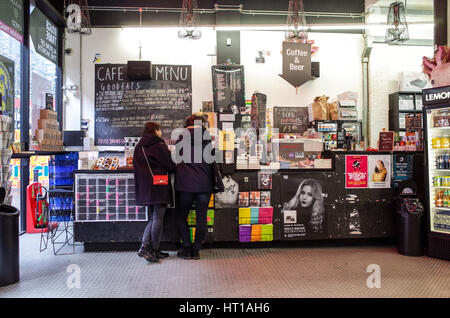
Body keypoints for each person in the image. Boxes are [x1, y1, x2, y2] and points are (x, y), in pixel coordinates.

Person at [174, 113, 223, 260]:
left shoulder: (181, 139)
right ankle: (196, 250)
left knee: (181, 216)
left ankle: (187, 248)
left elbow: (174, 159)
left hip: (185, 185)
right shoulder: (208, 139)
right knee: (201, 218)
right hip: (204, 185)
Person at [133, 122, 175, 263]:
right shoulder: (159, 145)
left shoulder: (139, 146)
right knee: (158, 218)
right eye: (160, 129)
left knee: (153, 218)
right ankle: (150, 248)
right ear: (156, 130)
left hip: (145, 186)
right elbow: (170, 165)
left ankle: (148, 248)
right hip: (159, 184)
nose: (161, 132)